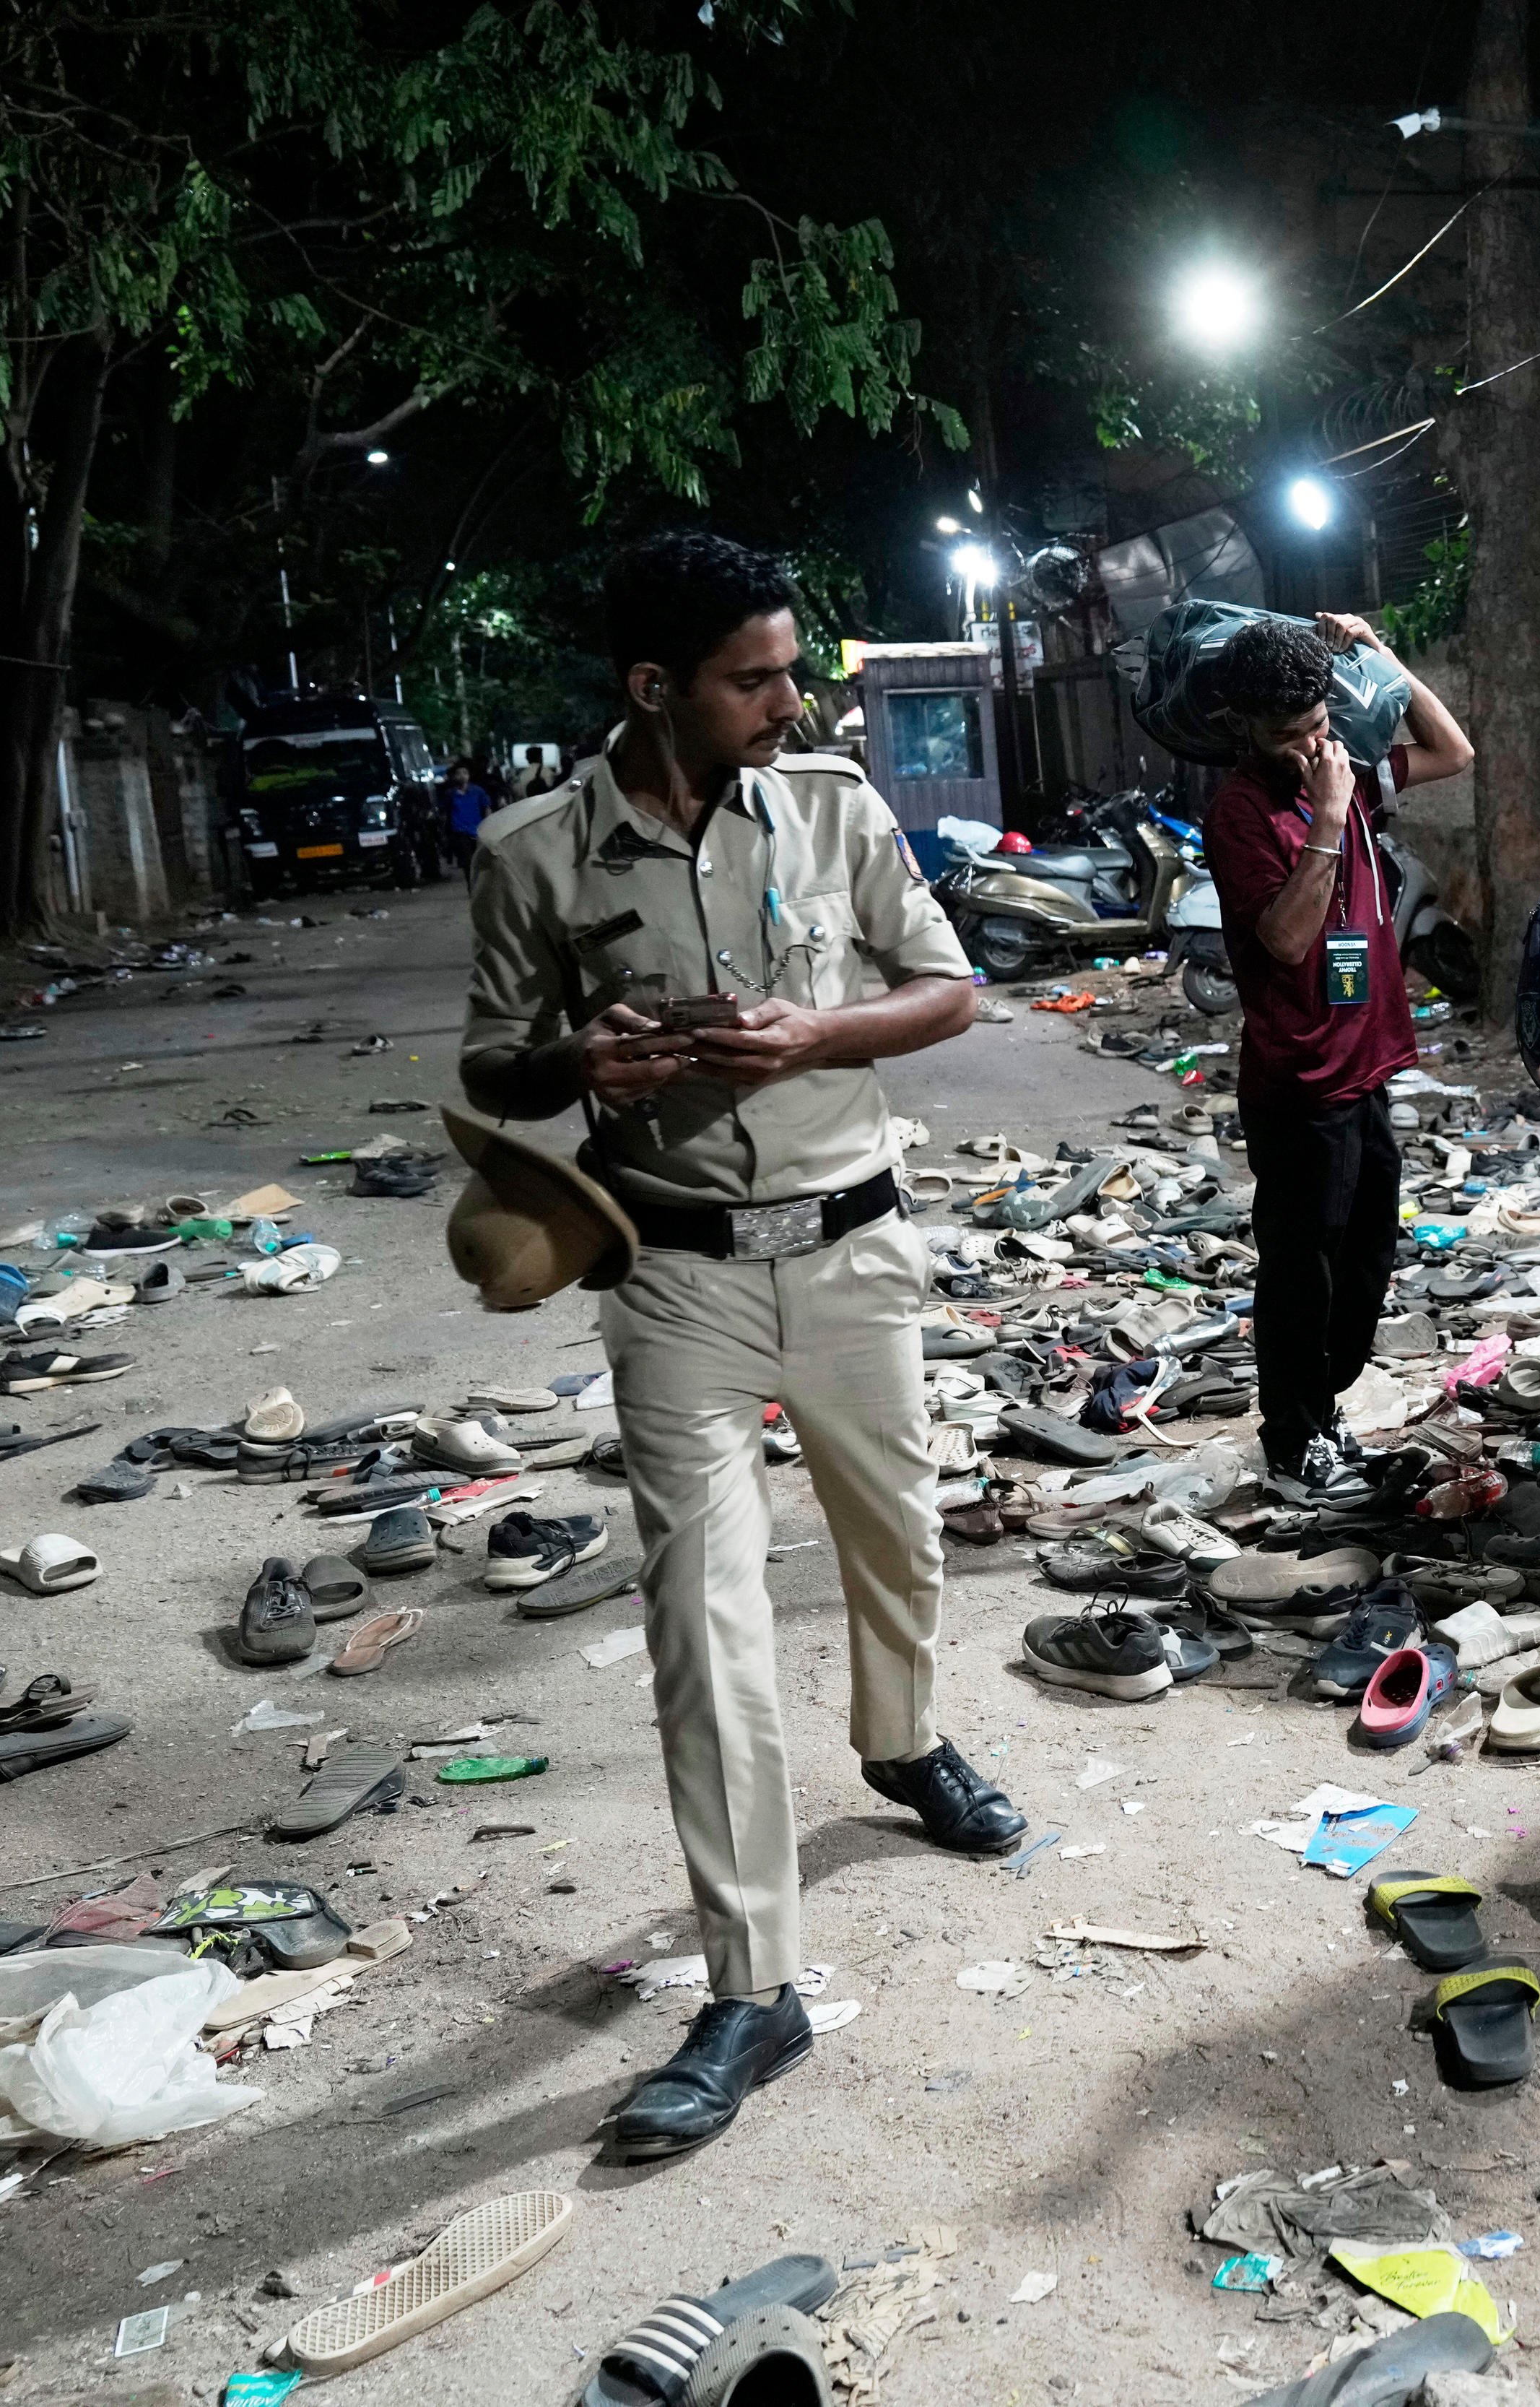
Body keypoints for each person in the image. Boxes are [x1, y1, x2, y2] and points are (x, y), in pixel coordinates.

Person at [460, 529, 1019, 2160]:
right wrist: (582, 1060)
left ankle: (905, 1742)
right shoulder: (533, 853)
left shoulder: (836, 807)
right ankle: (752, 1984)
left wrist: (819, 1035)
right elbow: (495, 1067)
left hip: (852, 1253)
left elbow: (951, 991)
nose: (788, 699)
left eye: (789, 669)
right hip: (674, 1280)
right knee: (704, 1633)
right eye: (753, 676)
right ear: (656, 689)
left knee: (896, 1544)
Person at [1197, 610, 1476, 1500]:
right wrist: (1323, 813)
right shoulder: (1243, 809)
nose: (1312, 744)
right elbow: (1282, 939)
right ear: (1245, 727)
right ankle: (1293, 1438)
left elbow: (1453, 750)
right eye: (1289, 735)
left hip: (1368, 1061)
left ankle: (1324, 1406)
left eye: (1319, 723)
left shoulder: (1350, 767)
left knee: (1362, 1269)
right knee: (1299, 1275)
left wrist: (1376, 656)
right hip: (1297, 1083)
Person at [445, 755, 493, 880]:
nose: (462, 776)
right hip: (460, 832)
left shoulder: (477, 791)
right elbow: (447, 812)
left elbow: (487, 807)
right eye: (459, 773)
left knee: (479, 860)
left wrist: (487, 825)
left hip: (477, 830)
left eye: (465, 773)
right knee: (467, 861)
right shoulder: (451, 794)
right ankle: (471, 886)